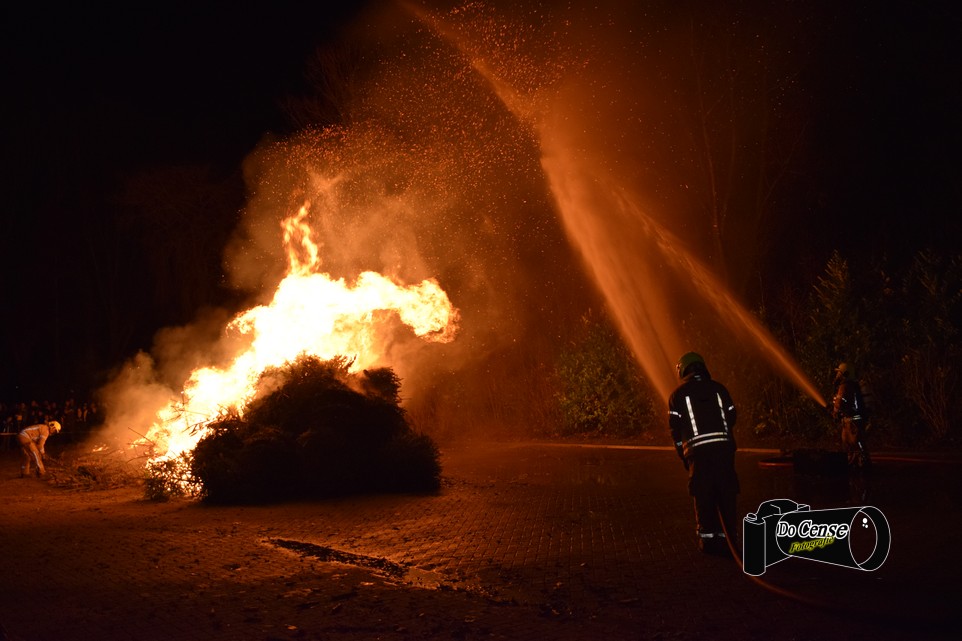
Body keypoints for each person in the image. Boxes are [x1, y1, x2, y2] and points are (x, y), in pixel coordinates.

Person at [668, 352, 739, 555]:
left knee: (703, 494)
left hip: (697, 454)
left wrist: (683, 454)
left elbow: (674, 429)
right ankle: (728, 539)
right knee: (726, 492)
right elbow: (732, 415)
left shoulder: (677, 395)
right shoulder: (719, 388)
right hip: (724, 450)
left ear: (682, 370)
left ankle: (708, 541)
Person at [832, 362, 870, 468]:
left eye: (839, 372)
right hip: (855, 421)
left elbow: (839, 403)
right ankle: (859, 466)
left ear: (845, 374)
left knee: (852, 447)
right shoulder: (854, 385)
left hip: (850, 423)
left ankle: (861, 468)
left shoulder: (845, 386)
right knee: (857, 446)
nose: (837, 375)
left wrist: (835, 412)